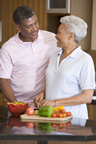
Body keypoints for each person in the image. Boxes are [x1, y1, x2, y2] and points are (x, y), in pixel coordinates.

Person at [34, 15, 95, 119]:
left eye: (59, 32)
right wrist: (42, 93)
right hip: (51, 116)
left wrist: (55, 102)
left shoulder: (84, 59)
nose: (56, 36)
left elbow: (87, 97)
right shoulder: (54, 56)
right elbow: (57, 82)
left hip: (73, 118)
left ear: (70, 36)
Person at [0, 6, 59, 108]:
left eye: (36, 23)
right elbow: (4, 81)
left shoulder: (52, 39)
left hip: (46, 104)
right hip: (20, 104)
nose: (35, 28)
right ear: (18, 28)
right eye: (29, 26)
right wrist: (17, 105)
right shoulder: (7, 49)